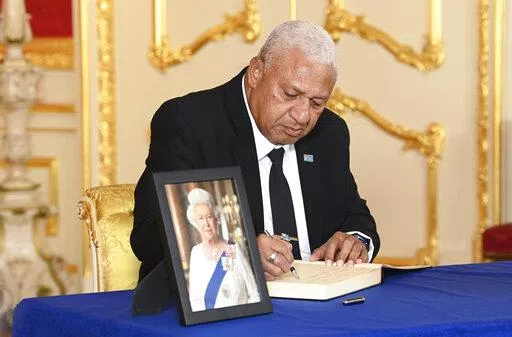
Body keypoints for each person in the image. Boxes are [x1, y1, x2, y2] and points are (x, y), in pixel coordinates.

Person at [131, 20, 380, 283]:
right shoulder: (190, 124)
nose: (302, 115)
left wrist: (356, 241)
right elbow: (150, 237)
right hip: (223, 304)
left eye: (317, 103)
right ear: (256, 73)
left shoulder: (329, 133)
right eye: (290, 94)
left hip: (317, 308)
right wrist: (240, 250)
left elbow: (356, 218)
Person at [185, 188, 260, 311]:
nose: (206, 224)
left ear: (216, 219)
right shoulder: (196, 254)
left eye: (209, 217)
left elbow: (254, 294)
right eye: (200, 218)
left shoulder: (233, 248)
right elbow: (195, 301)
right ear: (195, 224)